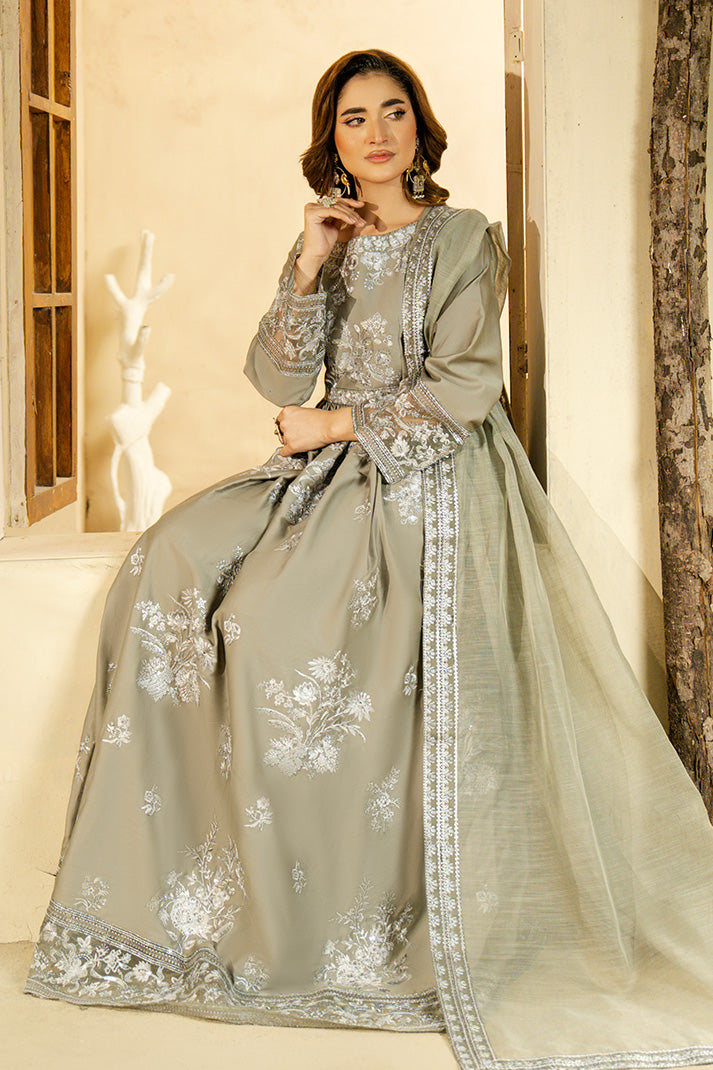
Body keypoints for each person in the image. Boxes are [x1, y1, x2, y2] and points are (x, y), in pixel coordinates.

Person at [23, 47, 713, 1069]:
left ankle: (337, 919)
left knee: (272, 628)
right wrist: (307, 263)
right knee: (165, 562)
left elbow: (466, 384)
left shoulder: (462, 236)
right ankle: (189, 893)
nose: (377, 134)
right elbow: (275, 376)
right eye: (354, 119)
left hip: (424, 472)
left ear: (419, 128)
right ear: (331, 140)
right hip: (323, 469)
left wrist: (332, 425)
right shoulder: (329, 239)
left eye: (394, 113)